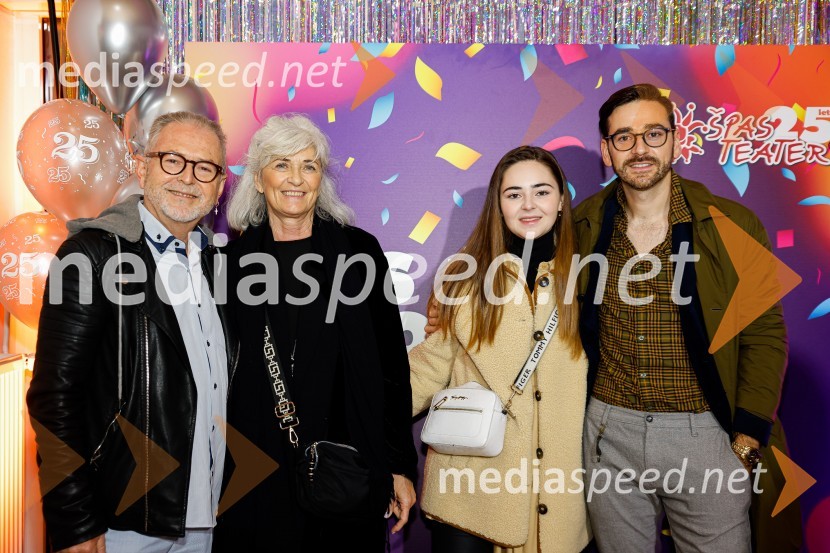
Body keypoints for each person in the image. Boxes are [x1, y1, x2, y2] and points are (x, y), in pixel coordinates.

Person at [572, 83, 799, 553]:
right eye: (624, 137)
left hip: (704, 436)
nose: (639, 149)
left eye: (653, 134)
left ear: (676, 140)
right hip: (607, 433)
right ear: (606, 150)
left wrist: (747, 436)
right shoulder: (583, 224)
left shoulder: (734, 223)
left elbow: (765, 332)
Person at [27, 111, 234, 553]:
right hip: (123, 525)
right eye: (173, 160)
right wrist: (74, 520)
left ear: (219, 185)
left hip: (208, 518)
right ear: (142, 166)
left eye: (205, 168)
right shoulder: (91, 255)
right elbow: (54, 397)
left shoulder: (222, 269)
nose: (188, 178)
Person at [212, 114, 418, 551]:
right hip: (255, 471)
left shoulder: (359, 252)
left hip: (348, 467)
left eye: (309, 166)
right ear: (259, 177)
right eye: (281, 164)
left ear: (321, 178)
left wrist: (399, 464)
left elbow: (391, 367)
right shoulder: (229, 266)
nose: (296, 179)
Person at [410, 145, 591, 553]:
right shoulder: (463, 276)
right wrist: (359, 416)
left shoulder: (587, 279)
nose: (529, 204)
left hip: (559, 500)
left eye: (541, 191)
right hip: (467, 493)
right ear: (499, 204)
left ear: (561, 200)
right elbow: (429, 367)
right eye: (514, 194)